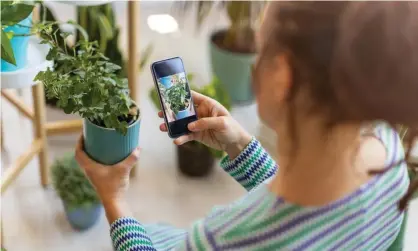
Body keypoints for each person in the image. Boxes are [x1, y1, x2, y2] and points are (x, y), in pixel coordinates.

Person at [75, 2, 418, 250]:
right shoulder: (389, 154)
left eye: (259, 48)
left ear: (282, 76)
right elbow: (311, 218)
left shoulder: (227, 238)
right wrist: (239, 146)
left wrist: (114, 198)